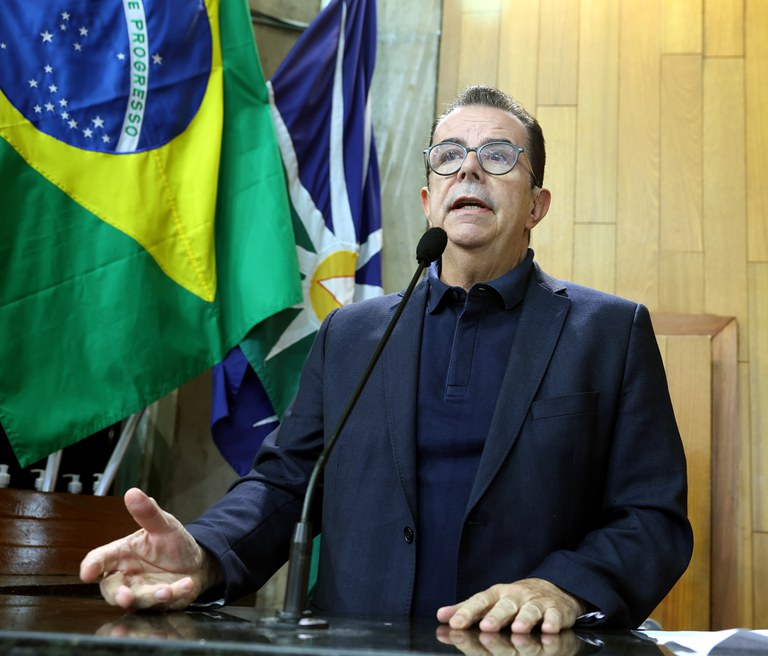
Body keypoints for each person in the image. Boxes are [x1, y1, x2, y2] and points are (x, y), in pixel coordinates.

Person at [80, 85, 693, 634]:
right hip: (354, 645)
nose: (469, 168)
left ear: (537, 204)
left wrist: (561, 587)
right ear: (429, 200)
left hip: (521, 651)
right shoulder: (352, 334)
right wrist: (204, 551)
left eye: (498, 156)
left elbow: (652, 518)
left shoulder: (609, 333)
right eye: (449, 156)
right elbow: (286, 484)